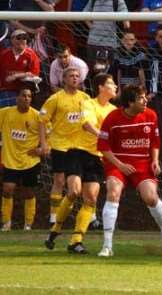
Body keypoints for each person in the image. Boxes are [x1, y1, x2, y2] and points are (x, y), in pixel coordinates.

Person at [97, 84, 162, 257]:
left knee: (151, 197)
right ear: (130, 103)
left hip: (142, 163)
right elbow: (102, 146)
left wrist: (155, 160)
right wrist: (120, 165)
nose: (146, 100)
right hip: (117, 162)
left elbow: (155, 142)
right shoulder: (112, 118)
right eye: (141, 98)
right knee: (113, 192)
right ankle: (107, 246)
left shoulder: (151, 115)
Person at [44, 73, 117, 254]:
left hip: (96, 157)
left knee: (90, 199)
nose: (115, 86)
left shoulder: (114, 111)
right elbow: (86, 124)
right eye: (111, 83)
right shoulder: (88, 103)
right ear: (101, 87)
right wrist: (102, 135)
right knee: (74, 192)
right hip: (77, 152)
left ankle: (76, 241)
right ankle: (55, 229)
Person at [38, 67, 91, 225]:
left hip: (80, 146)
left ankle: (89, 216)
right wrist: (44, 142)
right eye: (71, 76)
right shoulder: (55, 98)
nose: (75, 78)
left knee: (81, 182)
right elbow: (42, 120)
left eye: (77, 76)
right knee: (59, 181)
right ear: (64, 79)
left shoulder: (86, 98)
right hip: (60, 145)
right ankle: (54, 216)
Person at [0, 87, 42, 231]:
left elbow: (49, 136)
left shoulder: (37, 116)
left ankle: (28, 225)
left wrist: (41, 149)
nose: (26, 99)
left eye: (29, 96)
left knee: (29, 192)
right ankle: (6, 223)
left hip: (30, 160)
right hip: (11, 159)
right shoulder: (6, 113)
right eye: (23, 95)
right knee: (7, 189)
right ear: (16, 97)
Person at [0, 29, 40, 107]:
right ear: (12, 40)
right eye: (18, 38)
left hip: (24, 91)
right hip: (6, 89)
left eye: (24, 38)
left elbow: (34, 74)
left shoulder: (31, 55)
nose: (21, 40)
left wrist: (16, 76)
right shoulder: (4, 54)